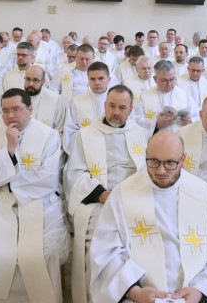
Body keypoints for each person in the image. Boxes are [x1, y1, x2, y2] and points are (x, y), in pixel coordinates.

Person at [89, 130, 207, 303]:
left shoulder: (206, 196)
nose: (161, 170)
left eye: (170, 163)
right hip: (138, 297)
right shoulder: (122, 195)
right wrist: (134, 291)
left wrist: (199, 290)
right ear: (146, 155)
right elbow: (106, 253)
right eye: (154, 161)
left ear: (183, 159)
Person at [0, 88, 69, 303]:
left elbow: (48, 179)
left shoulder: (49, 136)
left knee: (47, 254)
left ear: (30, 109)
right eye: (5, 111)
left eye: (16, 109)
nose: (10, 116)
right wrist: (9, 150)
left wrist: (5, 181)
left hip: (40, 203)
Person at [65, 85, 149, 303]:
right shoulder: (86, 135)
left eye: (122, 108)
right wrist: (104, 195)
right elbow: (75, 174)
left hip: (135, 200)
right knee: (100, 244)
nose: (116, 112)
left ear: (131, 110)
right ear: (105, 105)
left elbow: (148, 171)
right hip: (100, 202)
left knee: (147, 241)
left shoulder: (139, 133)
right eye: (112, 106)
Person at [134, 59, 197, 133]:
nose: (169, 84)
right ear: (155, 79)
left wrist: (190, 120)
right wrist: (155, 124)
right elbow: (136, 119)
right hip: (156, 138)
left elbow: (197, 115)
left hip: (179, 137)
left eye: (172, 79)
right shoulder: (144, 97)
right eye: (164, 80)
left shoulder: (184, 95)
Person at [63, 62, 111, 154]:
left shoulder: (117, 101)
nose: (97, 82)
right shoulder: (76, 102)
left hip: (110, 150)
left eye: (101, 78)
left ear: (108, 79)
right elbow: (69, 131)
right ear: (88, 80)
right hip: (84, 150)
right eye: (92, 79)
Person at [23, 65, 65, 131]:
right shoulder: (16, 98)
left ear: (43, 82)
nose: (30, 84)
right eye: (28, 79)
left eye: (35, 80)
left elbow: (59, 129)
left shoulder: (55, 100)